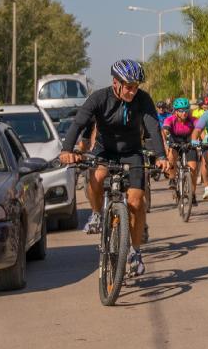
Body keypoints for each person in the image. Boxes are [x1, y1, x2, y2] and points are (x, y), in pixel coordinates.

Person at [57, 60, 170, 275]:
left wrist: (161, 156)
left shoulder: (143, 99)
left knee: (136, 201)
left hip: (132, 152)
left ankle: (135, 252)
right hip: (104, 150)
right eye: (128, 86)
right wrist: (66, 150)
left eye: (136, 86)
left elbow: (153, 127)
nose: (132, 91)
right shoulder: (99, 98)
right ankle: (97, 213)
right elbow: (78, 123)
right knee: (97, 176)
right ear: (115, 83)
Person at [162, 96, 198, 179]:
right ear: (176, 111)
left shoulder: (193, 119)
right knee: (171, 156)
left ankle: (192, 191)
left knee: (193, 168)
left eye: (186, 110)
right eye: (181, 111)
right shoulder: (170, 119)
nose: (184, 113)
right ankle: (172, 179)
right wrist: (164, 144)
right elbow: (164, 131)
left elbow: (200, 131)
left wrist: (202, 141)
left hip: (189, 143)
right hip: (175, 142)